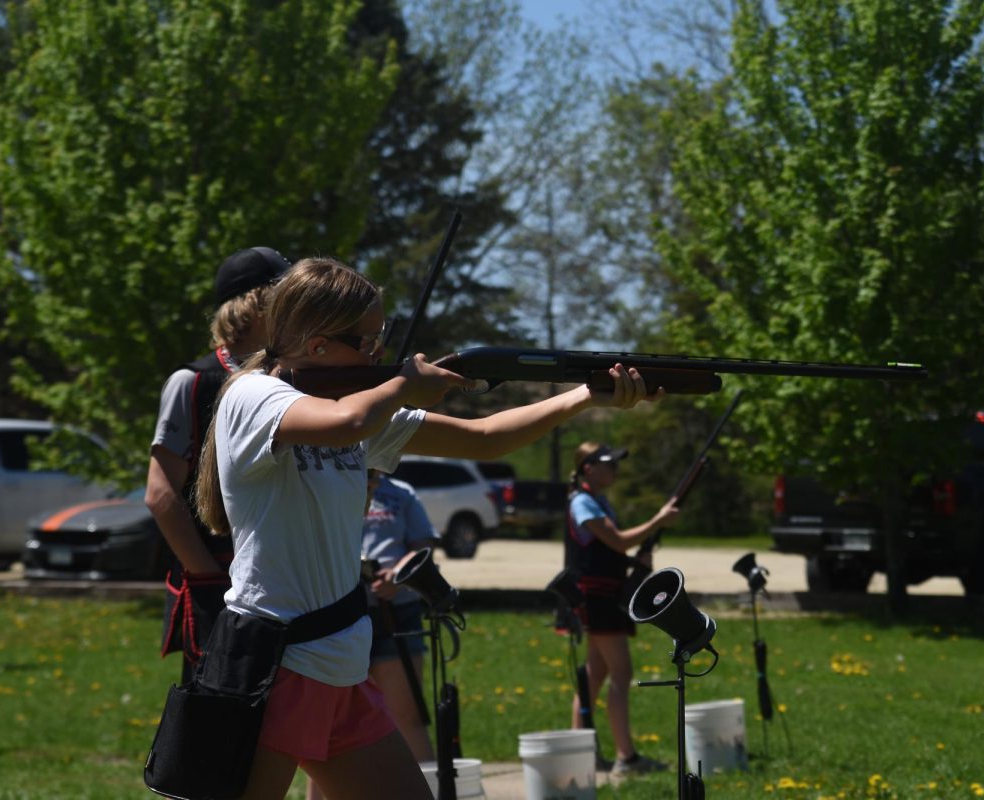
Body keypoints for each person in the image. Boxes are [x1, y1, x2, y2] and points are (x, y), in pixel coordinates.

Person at [193, 256, 663, 799]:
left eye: (381, 335)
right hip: (276, 666)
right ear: (316, 345)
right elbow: (349, 423)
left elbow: (484, 437)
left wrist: (585, 396)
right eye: (365, 340)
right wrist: (401, 386)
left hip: (341, 662)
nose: (377, 351)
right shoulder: (254, 398)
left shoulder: (360, 406)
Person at [144, 246, 291, 681]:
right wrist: (208, 577)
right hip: (217, 578)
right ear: (254, 303)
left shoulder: (294, 380)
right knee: (218, 723)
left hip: (285, 577)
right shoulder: (192, 383)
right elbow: (161, 492)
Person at [306, 469, 438, 800]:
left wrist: (398, 575)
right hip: (339, 612)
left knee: (406, 712)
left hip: (397, 612)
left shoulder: (402, 492)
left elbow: (421, 545)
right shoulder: (327, 483)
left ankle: (428, 789)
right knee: (328, 722)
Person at [564, 441, 679, 777]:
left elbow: (612, 550)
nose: (614, 469)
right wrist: (658, 520)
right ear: (589, 468)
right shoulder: (584, 502)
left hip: (603, 595)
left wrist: (634, 561)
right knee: (621, 674)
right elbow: (618, 541)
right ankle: (625, 758)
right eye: (608, 464)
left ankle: (579, 753)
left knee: (594, 676)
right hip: (597, 598)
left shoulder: (597, 500)